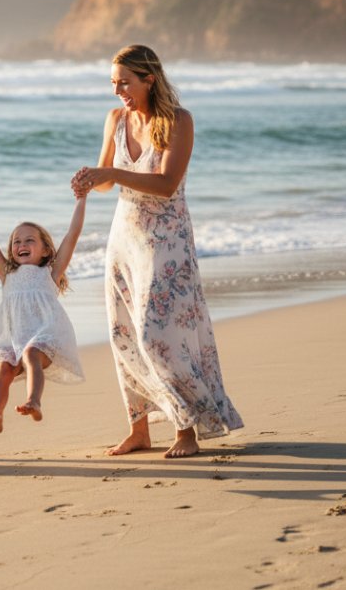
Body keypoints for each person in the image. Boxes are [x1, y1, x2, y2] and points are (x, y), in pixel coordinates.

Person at [72, 44, 242, 458]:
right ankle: (139, 429)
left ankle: (187, 430)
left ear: (149, 78)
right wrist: (90, 179)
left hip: (166, 241)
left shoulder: (178, 121)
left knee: (161, 335)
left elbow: (166, 185)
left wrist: (111, 172)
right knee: (124, 333)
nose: (118, 92)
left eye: (125, 82)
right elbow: (109, 184)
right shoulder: (116, 119)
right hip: (123, 238)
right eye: (113, 83)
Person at [0, 192, 87, 434]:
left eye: (29, 240)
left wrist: (81, 199)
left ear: (46, 250)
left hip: (43, 335)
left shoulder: (51, 274)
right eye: (16, 242)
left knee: (31, 353)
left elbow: (72, 235)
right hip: (10, 338)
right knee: (3, 368)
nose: (21, 245)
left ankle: (34, 401)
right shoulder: (6, 273)